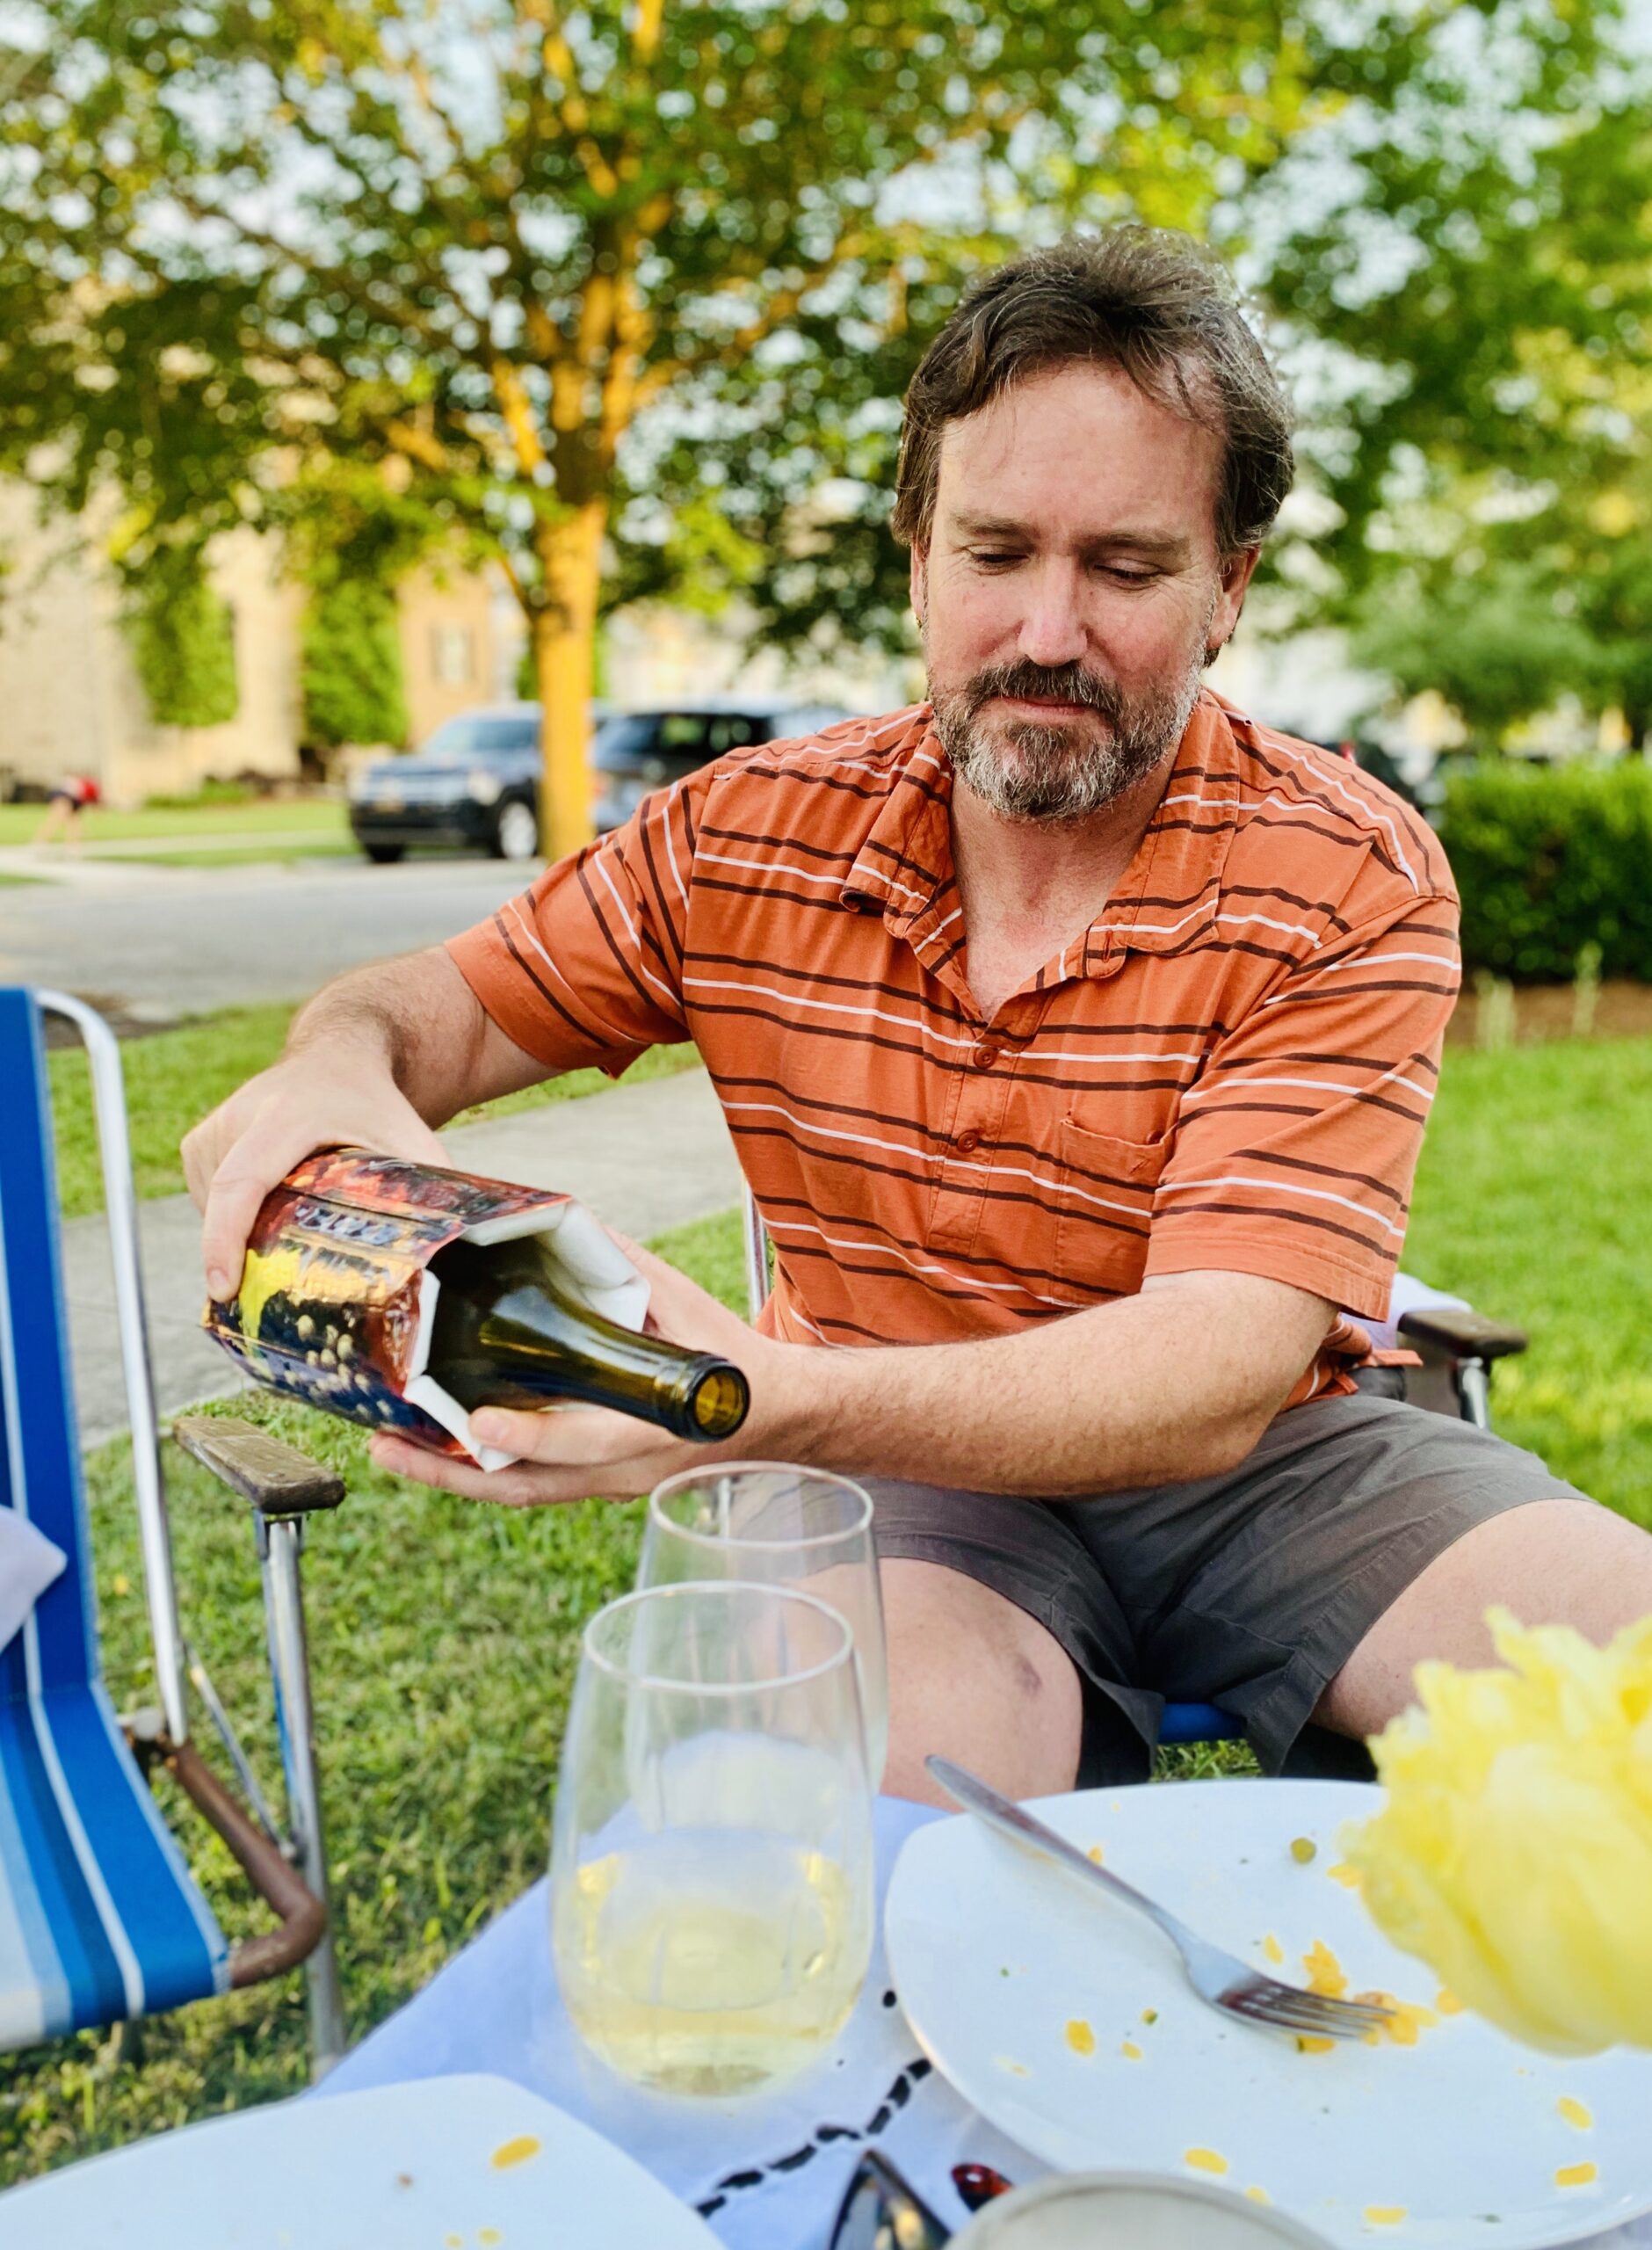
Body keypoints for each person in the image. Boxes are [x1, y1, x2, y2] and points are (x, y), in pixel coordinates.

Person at [182, 228, 1652, 1806]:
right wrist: (339, 1061)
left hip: (1262, 1464)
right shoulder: (743, 833)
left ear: (1229, 588)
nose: (1044, 633)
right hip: (889, 1462)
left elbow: (1219, 1367)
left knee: (1625, 1688)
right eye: (996, 551)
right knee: (910, 1785)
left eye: (1129, 568)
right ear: (916, 553)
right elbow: (429, 1011)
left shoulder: (1345, 870)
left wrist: (752, 1401)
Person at [32, 772, 100, 851]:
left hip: (73, 800)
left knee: (73, 823)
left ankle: (72, 846)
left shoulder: (87, 786)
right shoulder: (90, 787)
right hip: (65, 796)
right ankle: (40, 842)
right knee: (56, 820)